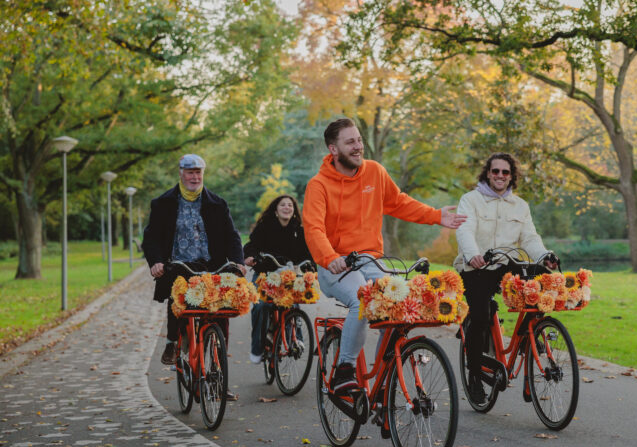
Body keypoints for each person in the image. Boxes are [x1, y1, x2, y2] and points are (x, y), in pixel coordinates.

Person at [303, 118, 467, 394]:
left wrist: (436, 216)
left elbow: (398, 202)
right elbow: (314, 228)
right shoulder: (319, 185)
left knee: (399, 304)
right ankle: (345, 370)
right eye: (350, 142)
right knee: (363, 300)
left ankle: (384, 379)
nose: (358, 147)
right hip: (336, 266)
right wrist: (330, 257)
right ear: (333, 149)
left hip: (371, 260)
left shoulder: (374, 172)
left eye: (359, 140)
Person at [454, 152, 559, 403]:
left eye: (505, 172)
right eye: (495, 171)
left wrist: (545, 255)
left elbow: (530, 238)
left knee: (542, 280)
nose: (500, 176)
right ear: (487, 174)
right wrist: (472, 255)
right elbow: (464, 229)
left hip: (506, 265)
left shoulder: (520, 206)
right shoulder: (471, 200)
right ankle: (475, 375)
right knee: (480, 316)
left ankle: (530, 335)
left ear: (512, 176)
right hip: (475, 267)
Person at [142, 154, 245, 400]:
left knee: (220, 316)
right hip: (178, 266)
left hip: (212, 266)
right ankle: (173, 341)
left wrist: (238, 262)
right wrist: (156, 261)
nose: (194, 176)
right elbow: (152, 236)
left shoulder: (217, 204)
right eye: (189, 172)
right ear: (180, 173)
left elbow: (232, 235)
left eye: (198, 172)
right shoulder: (163, 203)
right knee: (179, 302)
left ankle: (218, 376)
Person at [243, 194, 313, 364]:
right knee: (261, 306)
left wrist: (309, 266)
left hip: (288, 274)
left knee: (293, 300)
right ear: (276, 210)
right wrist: (251, 257)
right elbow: (251, 245)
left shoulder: (299, 230)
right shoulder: (264, 227)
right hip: (264, 274)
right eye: (283, 205)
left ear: (294, 210)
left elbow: (307, 253)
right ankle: (258, 347)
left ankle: (295, 340)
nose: (287, 207)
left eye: (290, 205)